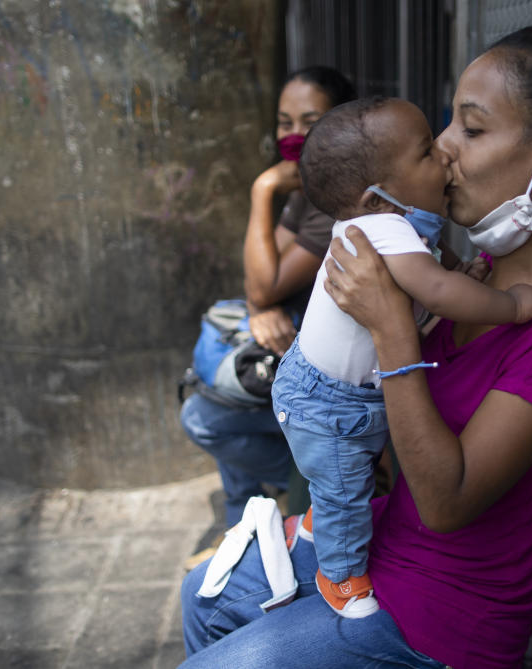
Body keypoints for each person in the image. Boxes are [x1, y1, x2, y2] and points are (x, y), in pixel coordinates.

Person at [180, 21, 532, 668]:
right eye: (448, 123)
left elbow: (446, 501)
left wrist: (391, 327)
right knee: (203, 595)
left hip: (439, 618)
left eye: (472, 129)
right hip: (385, 543)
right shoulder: (468, 275)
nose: (445, 148)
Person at [270, 95, 532, 618]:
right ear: (378, 197)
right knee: (346, 488)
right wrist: (511, 305)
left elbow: (438, 274)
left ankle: (318, 516)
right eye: (426, 153)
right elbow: (439, 293)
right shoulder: (384, 229)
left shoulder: (403, 224)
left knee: (346, 476)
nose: (444, 156)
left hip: (337, 388)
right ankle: (339, 577)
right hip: (326, 402)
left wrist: (459, 275)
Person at [180, 66, 356, 545]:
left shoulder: (333, 198)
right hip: (286, 341)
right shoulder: (306, 185)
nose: (294, 135)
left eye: (310, 120)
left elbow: (263, 287)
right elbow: (259, 279)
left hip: (321, 372)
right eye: (285, 122)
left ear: (339, 123)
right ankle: (240, 527)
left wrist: (262, 190)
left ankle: (324, 480)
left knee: (201, 416)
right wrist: (262, 305)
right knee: (218, 378)